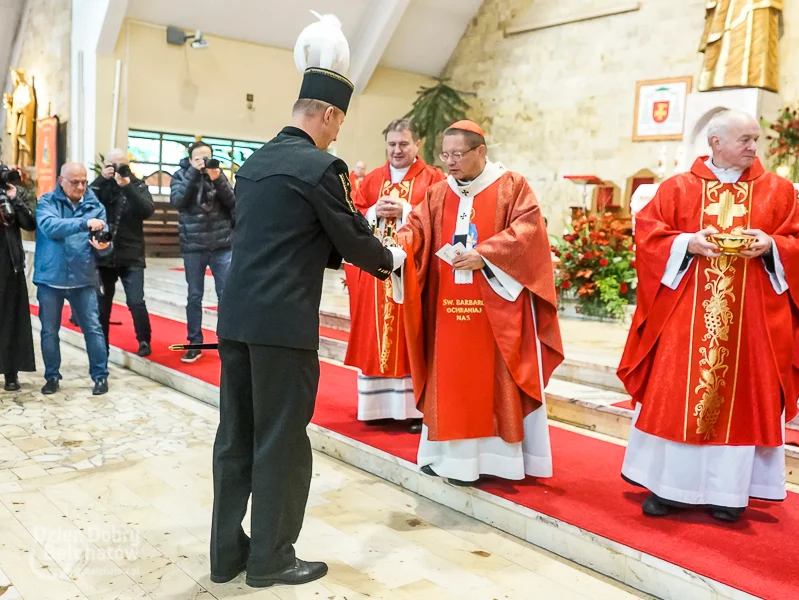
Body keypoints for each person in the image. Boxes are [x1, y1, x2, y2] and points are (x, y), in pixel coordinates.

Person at [211, 37, 405, 588]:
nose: (338, 133)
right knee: (281, 440)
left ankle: (227, 553)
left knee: (235, 437)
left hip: (238, 319)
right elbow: (350, 239)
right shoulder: (323, 167)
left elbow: (283, 238)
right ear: (326, 114)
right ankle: (271, 558)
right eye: (338, 122)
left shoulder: (253, 164)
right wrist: (392, 257)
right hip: (284, 325)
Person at [617, 110, 799, 522]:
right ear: (715, 143)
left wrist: (771, 246)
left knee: (742, 398)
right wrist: (687, 243)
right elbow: (648, 233)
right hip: (685, 314)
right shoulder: (678, 188)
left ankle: (729, 493)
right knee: (677, 394)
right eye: (744, 139)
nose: (752, 147)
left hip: (751, 319)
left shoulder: (776, 191)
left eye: (755, 139)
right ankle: (669, 487)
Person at [393, 120, 564, 486]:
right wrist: (396, 246)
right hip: (447, 309)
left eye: (458, 154)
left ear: (481, 152)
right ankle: (448, 459)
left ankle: (498, 461)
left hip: (495, 309)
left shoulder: (511, 187)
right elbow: (417, 229)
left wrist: (484, 256)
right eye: (445, 155)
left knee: (491, 379)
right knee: (451, 379)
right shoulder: (439, 193)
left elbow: (528, 232)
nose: (450, 162)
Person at [344, 119, 445, 433]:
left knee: (412, 335)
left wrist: (404, 209)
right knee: (376, 336)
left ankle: (414, 410)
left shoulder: (434, 178)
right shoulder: (373, 179)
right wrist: (374, 212)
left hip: (415, 273)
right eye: (391, 145)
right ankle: (376, 408)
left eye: (404, 144)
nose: (397, 150)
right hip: (377, 278)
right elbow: (352, 217)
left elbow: (441, 217)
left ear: (418, 145)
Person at [34, 163, 113, 396]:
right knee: (49, 331)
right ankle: (52, 377)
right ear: (61, 180)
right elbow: (50, 227)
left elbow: (104, 241)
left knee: (93, 329)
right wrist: (83, 223)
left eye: (84, 181)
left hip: (83, 277)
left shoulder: (95, 205)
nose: (81, 186)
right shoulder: (47, 201)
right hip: (51, 277)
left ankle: (100, 377)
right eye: (75, 182)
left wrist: (104, 246)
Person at [170, 141, 236, 363]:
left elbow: (233, 202)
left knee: (226, 296)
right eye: (198, 158)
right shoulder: (180, 175)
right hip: (193, 246)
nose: (203, 161)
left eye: (206, 157)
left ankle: (228, 342)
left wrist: (217, 178)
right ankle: (194, 343)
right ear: (189, 160)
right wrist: (193, 172)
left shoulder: (217, 175)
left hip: (222, 245)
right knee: (194, 296)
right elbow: (179, 201)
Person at [90, 148, 155, 357]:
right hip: (103, 254)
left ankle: (144, 340)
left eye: (121, 165)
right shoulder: (99, 186)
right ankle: (103, 346)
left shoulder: (137, 185)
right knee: (102, 305)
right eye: (112, 165)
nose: (117, 169)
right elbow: (86, 203)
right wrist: (102, 179)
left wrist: (126, 185)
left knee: (136, 300)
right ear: (105, 166)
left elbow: (146, 210)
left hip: (132, 254)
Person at [0, 169, 35, 391]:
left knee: (11, 319)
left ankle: (10, 372)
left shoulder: (14, 192)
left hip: (8, 263)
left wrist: (15, 201)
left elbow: (31, 223)